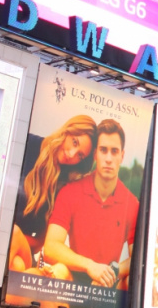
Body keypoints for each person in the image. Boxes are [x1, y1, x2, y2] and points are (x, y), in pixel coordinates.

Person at [43, 119, 138, 290]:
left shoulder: (132, 204)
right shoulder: (70, 192)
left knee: (131, 282)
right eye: (103, 150)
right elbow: (50, 247)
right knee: (58, 271)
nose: (108, 158)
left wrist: (111, 273)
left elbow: (138, 258)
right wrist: (90, 266)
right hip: (74, 278)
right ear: (95, 154)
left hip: (110, 285)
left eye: (114, 151)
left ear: (122, 156)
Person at [7, 114, 97, 274]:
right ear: (68, 131)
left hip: (21, 245)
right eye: (74, 142)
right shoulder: (27, 144)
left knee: (13, 234)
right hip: (0, 236)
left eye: (80, 155)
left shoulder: (64, 185)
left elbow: (41, 242)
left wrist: (18, 237)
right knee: (18, 265)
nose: (72, 154)